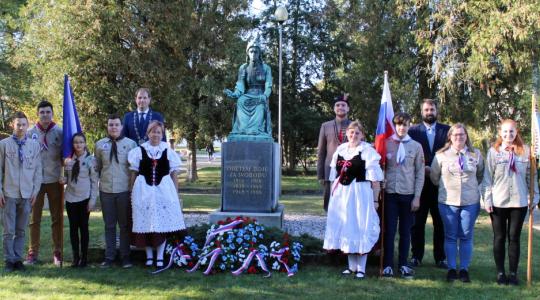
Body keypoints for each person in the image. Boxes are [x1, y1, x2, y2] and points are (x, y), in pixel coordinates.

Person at [323, 121, 383, 279]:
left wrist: (375, 199)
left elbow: (375, 179)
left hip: (359, 194)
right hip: (341, 195)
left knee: (359, 226)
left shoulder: (367, 151)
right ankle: (351, 267)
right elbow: (333, 176)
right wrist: (332, 197)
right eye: (351, 132)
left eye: (357, 133)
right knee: (346, 226)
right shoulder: (340, 150)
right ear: (346, 134)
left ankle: (361, 268)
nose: (354, 135)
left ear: (362, 135)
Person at [483, 119, 539, 285]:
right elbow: (487, 178)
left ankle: (513, 273)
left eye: (512, 131)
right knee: (499, 237)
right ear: (500, 133)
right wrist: (487, 198)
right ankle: (501, 273)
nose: (508, 135)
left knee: (514, 237)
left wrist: (535, 196)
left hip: (519, 202)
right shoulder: (494, 152)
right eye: (505, 132)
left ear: (517, 132)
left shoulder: (526, 151)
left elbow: (532, 176)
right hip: (498, 202)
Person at [430, 123, 484, 283]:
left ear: (466, 136)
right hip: (448, 202)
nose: (459, 137)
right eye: (455, 135)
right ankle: (452, 268)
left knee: (466, 236)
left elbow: (480, 174)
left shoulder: (476, 155)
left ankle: (464, 269)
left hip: (470, 201)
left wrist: (471, 187)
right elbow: (434, 177)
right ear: (450, 137)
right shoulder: (441, 155)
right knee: (451, 236)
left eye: (462, 134)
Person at [128, 121, 185, 268]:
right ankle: (149, 256)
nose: (156, 135)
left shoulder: (168, 150)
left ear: (162, 134)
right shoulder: (139, 151)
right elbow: (133, 173)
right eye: (153, 132)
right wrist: (131, 192)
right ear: (148, 133)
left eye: (159, 132)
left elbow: (174, 175)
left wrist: (175, 195)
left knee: (162, 225)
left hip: (163, 192)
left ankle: (159, 256)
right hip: (143, 192)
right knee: (145, 223)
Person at [382, 113, 424, 279]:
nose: (402, 128)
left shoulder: (416, 146)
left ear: (409, 126)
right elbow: (380, 167)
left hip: (408, 194)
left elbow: (420, 172)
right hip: (390, 193)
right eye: (399, 125)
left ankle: (403, 265)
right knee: (390, 231)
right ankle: (388, 265)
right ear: (395, 125)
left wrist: (417, 196)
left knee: (406, 232)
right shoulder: (386, 144)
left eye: (405, 125)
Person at [408, 99, 450, 268]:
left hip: (441, 185)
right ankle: (416, 256)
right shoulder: (412, 131)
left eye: (432, 109)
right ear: (422, 112)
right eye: (426, 109)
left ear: (436, 110)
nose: (429, 112)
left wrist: (434, 169)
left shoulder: (447, 130)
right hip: (419, 185)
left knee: (440, 223)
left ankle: (440, 257)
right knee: (417, 223)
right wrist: (421, 168)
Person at [0, 112, 42, 272]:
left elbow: (38, 171)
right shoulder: (4, 145)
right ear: (13, 125)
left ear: (27, 125)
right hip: (9, 193)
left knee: (21, 230)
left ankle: (18, 259)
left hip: (26, 194)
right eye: (18, 124)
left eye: (24, 124)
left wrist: (35, 191)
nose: (21, 127)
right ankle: (9, 260)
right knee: (9, 230)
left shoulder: (34, 145)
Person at [95, 114, 137, 268]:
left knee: (125, 226)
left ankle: (125, 257)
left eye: (116, 125)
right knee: (109, 225)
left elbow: (134, 169)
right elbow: (97, 167)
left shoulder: (131, 145)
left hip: (124, 190)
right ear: (107, 126)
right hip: (106, 190)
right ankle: (109, 256)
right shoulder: (99, 145)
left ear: (121, 127)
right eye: (111, 125)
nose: (113, 127)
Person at [26, 100, 64, 266]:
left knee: (57, 218)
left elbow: (67, 156)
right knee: (34, 219)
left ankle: (57, 251)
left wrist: (65, 176)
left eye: (48, 112)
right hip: (36, 182)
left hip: (55, 179)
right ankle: (33, 253)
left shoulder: (60, 132)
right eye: (42, 112)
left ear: (52, 113)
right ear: (37, 114)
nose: (45, 115)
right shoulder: (29, 133)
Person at [60, 133, 98, 268]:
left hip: (84, 198)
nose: (78, 145)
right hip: (70, 198)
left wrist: (92, 200)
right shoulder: (68, 160)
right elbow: (66, 177)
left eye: (81, 142)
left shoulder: (90, 160)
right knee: (73, 228)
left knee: (84, 228)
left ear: (85, 143)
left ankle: (84, 257)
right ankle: (75, 257)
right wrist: (63, 179)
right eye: (76, 142)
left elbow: (94, 182)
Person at [223, 36, 273, 141]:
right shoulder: (243, 68)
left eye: (256, 52)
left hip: (260, 96)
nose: (253, 54)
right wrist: (235, 94)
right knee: (240, 100)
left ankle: (255, 130)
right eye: (251, 51)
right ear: (247, 53)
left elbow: (268, 86)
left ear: (259, 53)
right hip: (247, 95)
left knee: (260, 106)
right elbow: (240, 84)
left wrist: (265, 96)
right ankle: (242, 130)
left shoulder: (266, 68)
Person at [317, 95, 351, 212]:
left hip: (350, 170)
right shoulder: (325, 126)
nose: (340, 107)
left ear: (348, 109)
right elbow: (321, 152)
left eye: (343, 105)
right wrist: (320, 174)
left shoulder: (354, 126)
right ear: (334, 108)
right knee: (329, 202)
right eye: (337, 105)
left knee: (347, 203)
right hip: (329, 169)